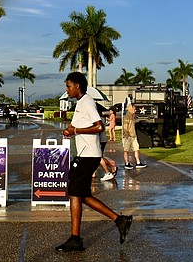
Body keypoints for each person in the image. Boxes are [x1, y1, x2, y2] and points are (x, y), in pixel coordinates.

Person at [56, 72, 132, 253]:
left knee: (75, 193)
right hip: (85, 154)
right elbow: (81, 127)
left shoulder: (87, 102)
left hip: (88, 155)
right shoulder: (81, 103)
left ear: (77, 86)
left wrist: (75, 131)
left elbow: (100, 126)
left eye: (68, 86)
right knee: (81, 195)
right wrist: (70, 131)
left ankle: (76, 239)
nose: (66, 90)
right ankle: (119, 220)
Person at [120, 100, 145, 169]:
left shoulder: (132, 116)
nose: (135, 110)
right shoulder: (127, 116)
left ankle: (138, 162)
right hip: (128, 136)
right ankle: (127, 163)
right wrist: (126, 135)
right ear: (131, 108)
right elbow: (125, 126)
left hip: (133, 136)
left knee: (136, 149)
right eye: (134, 108)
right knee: (126, 150)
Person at [96, 103, 118, 181]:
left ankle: (107, 172)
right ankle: (112, 167)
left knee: (98, 157)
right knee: (99, 156)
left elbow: (98, 129)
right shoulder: (101, 118)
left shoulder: (98, 119)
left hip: (100, 139)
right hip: (102, 139)